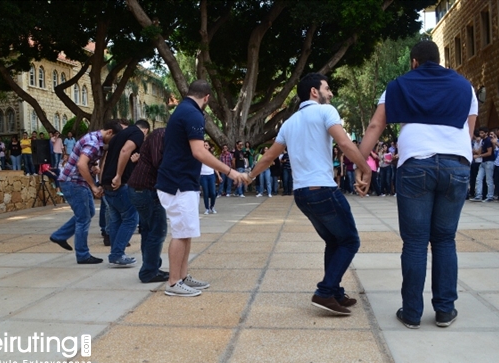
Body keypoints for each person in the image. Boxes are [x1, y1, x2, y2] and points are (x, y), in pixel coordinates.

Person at [360, 41, 478, 328]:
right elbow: (470, 130)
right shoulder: (465, 86)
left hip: (416, 165)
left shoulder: (398, 85)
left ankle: (412, 312)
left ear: (414, 62)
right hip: (456, 165)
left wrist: (362, 165)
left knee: (414, 242)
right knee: (444, 239)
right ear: (439, 60)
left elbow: (376, 126)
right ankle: (445, 310)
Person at [248, 72, 371, 315]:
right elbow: (345, 143)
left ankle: (334, 291)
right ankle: (325, 292)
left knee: (334, 240)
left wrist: (249, 176)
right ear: (314, 92)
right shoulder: (326, 111)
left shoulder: (289, 122)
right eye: (327, 88)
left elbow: (270, 156)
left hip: (302, 194)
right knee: (350, 240)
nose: (331, 93)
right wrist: (365, 168)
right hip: (322, 189)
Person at [155, 79, 247, 297]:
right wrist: (230, 171)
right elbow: (199, 151)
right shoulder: (193, 114)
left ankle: (182, 276)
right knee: (180, 232)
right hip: (178, 182)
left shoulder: (183, 110)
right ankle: (174, 282)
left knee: (185, 232)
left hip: (180, 181)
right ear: (207, 98)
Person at [49, 120, 123, 264]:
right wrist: (94, 187)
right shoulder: (93, 143)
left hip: (76, 181)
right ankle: (82, 255)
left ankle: (60, 235)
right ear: (109, 132)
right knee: (83, 218)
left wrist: (93, 166)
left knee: (88, 212)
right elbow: (81, 164)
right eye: (114, 139)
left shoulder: (95, 139)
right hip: (73, 182)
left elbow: (86, 161)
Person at [101, 120, 150, 266]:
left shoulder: (117, 137)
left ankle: (115, 253)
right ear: (145, 130)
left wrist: (102, 181)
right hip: (119, 184)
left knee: (116, 219)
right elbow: (125, 151)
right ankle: (117, 254)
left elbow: (106, 159)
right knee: (130, 218)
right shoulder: (137, 133)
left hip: (107, 183)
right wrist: (118, 175)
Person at [127, 127, 170, 283]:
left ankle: (151, 268)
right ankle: (149, 272)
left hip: (143, 190)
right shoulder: (161, 134)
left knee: (148, 230)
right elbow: (159, 161)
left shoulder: (164, 135)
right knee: (158, 230)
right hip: (145, 190)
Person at [470, 127, 494, 202]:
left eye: (482, 133)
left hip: (489, 162)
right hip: (483, 162)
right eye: (480, 133)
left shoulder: (488, 141)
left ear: (486, 133)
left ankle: (490, 196)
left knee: (488, 180)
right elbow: (480, 151)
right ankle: (478, 195)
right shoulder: (483, 141)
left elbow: (489, 153)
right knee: (478, 179)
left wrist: (479, 156)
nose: (481, 134)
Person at [200, 141, 221, 213]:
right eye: (204, 145)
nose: (205, 146)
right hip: (203, 176)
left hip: (211, 175)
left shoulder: (211, 156)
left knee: (213, 192)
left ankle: (212, 206)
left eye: (206, 145)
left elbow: (215, 166)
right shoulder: (200, 155)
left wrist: (218, 176)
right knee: (205, 192)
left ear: (209, 147)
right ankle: (207, 208)